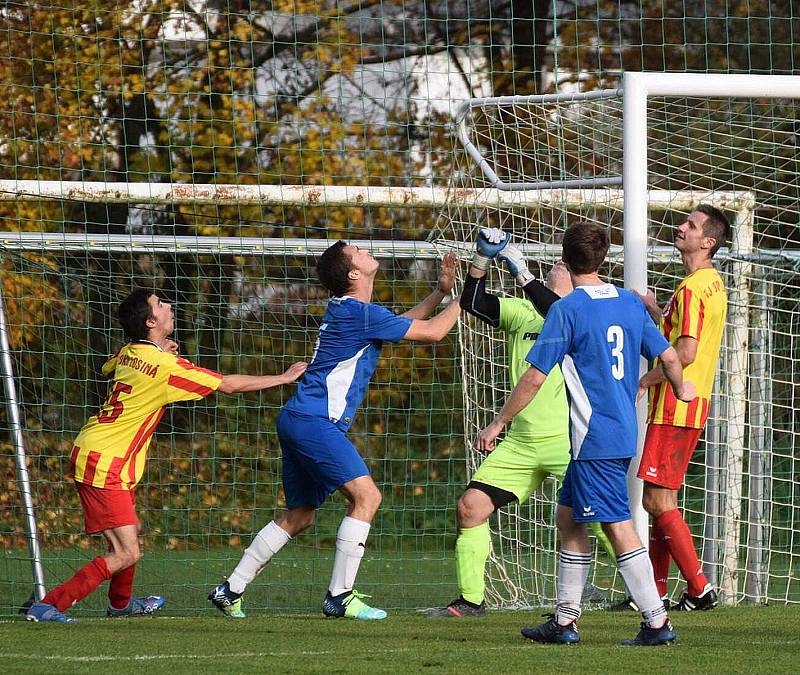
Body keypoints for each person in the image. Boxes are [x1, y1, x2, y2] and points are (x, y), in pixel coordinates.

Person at [209, 242, 461, 620]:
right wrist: (474, 284)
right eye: (357, 250)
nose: (365, 249)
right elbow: (435, 332)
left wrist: (441, 292)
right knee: (367, 498)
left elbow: (404, 325)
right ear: (354, 274)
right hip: (314, 422)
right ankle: (339, 596)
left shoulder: (353, 312)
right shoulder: (359, 314)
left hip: (299, 419)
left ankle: (231, 589)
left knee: (300, 515)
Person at [25, 289, 307, 623]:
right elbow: (228, 384)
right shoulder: (163, 365)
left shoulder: (131, 351)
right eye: (161, 305)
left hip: (101, 452)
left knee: (129, 537)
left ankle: (120, 605)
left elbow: (108, 366)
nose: (169, 306)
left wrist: (160, 350)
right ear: (149, 321)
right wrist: (284, 377)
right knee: (126, 551)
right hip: (106, 461)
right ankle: (50, 605)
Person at [476, 222, 696, 646]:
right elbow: (669, 355)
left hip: (595, 436)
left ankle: (656, 622)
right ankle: (565, 621)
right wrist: (680, 386)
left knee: (617, 525)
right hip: (613, 432)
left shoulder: (568, 309)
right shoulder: (629, 303)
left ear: (565, 258)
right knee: (569, 518)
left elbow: (535, 377)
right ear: (605, 257)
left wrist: (499, 421)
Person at [426, 228, 614, 618]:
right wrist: (481, 260)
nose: (556, 264)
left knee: (603, 520)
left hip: (571, 440)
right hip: (523, 443)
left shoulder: (584, 310)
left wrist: (522, 272)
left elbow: (557, 310)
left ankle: (646, 590)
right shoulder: (524, 310)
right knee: (470, 507)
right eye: (554, 263)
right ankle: (470, 601)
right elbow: (474, 302)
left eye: (563, 262)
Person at [633, 205, 729, 612]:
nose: (681, 227)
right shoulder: (709, 284)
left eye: (690, 225)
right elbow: (687, 335)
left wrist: (643, 382)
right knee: (660, 499)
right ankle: (655, 593)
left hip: (675, 404)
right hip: (692, 403)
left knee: (655, 502)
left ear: (707, 242)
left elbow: (685, 352)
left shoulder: (692, 288)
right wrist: (657, 312)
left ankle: (699, 587)